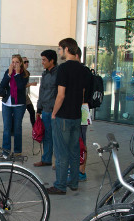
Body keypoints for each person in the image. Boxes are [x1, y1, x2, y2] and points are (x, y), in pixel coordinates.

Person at [47, 38, 89, 195]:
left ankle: (60, 185)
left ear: (66, 49)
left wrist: (54, 113)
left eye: (59, 49)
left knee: (61, 153)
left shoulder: (63, 69)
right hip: (76, 116)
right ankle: (73, 182)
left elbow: (61, 95)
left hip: (63, 116)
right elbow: (83, 93)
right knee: (73, 151)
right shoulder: (83, 69)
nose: (59, 52)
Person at [0, 54, 29, 156]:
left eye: (17, 62)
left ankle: (17, 151)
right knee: (7, 128)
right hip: (7, 103)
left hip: (19, 105)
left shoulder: (25, 74)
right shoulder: (8, 72)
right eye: (13, 62)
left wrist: (17, 74)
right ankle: (6, 151)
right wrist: (9, 75)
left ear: (21, 63)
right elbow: (2, 85)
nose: (14, 64)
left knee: (17, 128)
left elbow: (20, 87)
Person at [33, 50, 58, 168]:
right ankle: (46, 159)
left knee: (57, 137)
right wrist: (38, 109)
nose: (42, 62)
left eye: (44, 60)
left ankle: (58, 162)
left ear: (51, 61)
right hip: (46, 110)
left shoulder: (59, 74)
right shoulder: (44, 74)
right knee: (47, 136)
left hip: (56, 111)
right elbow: (41, 91)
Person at [76, 47, 92, 182]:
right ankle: (79, 168)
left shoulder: (82, 71)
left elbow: (82, 91)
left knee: (81, 141)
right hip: (83, 109)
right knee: (80, 140)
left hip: (81, 110)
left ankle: (81, 170)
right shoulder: (85, 71)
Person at [22, 57, 37, 127]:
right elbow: (21, 85)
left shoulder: (27, 73)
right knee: (19, 115)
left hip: (25, 96)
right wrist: (31, 84)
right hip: (20, 96)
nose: (27, 63)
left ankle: (34, 127)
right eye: (25, 62)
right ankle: (13, 130)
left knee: (32, 111)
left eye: (27, 62)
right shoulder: (19, 73)